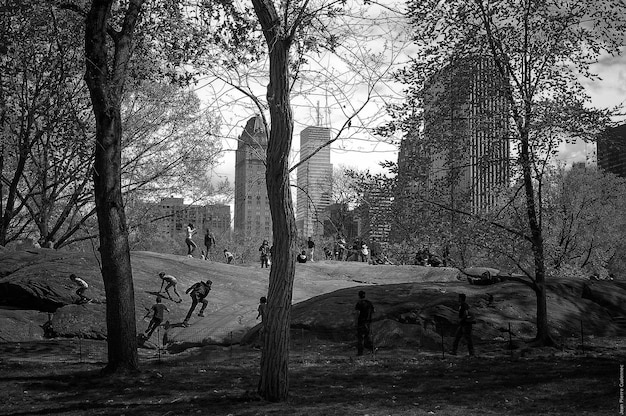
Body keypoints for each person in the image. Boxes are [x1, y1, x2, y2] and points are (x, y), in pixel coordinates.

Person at [355, 290, 375, 356]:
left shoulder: (359, 303)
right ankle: (371, 350)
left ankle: (360, 352)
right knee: (367, 336)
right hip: (368, 322)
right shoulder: (369, 303)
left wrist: (355, 322)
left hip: (361, 322)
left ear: (359, 296)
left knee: (360, 337)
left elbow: (358, 313)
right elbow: (373, 311)